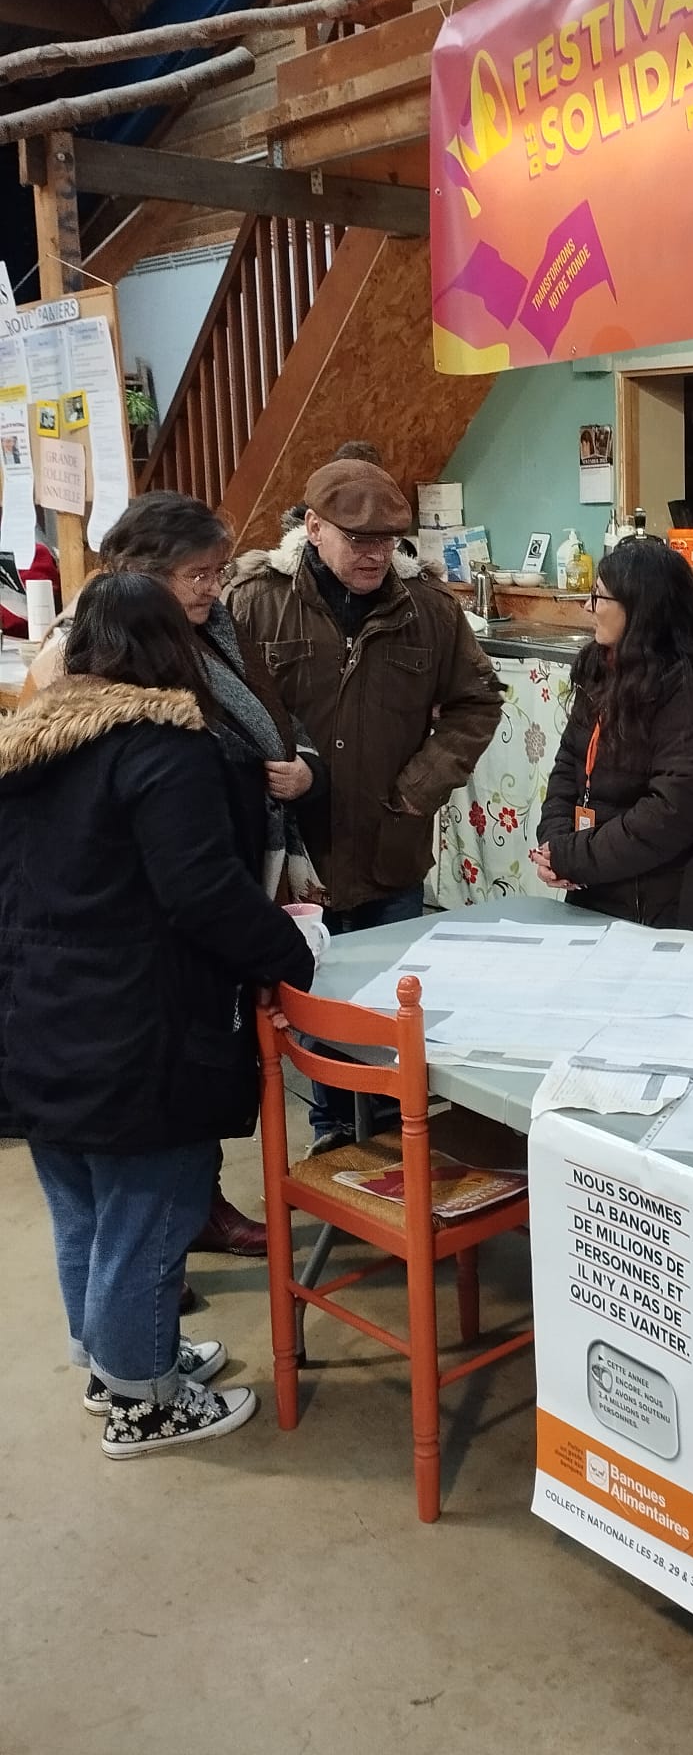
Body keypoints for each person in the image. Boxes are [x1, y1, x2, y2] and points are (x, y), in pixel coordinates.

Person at [0, 575, 314, 1457]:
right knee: (153, 1208)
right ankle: (146, 1402)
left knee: (84, 1210)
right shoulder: (164, 748)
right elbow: (202, 891)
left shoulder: (24, 750)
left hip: (35, 1016)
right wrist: (291, 955)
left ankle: (117, 1366)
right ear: (174, 651)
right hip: (137, 1024)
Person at [27, 492, 323, 1261]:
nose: (211, 590)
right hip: (134, 946)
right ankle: (143, 1338)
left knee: (110, 1204)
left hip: (173, 923)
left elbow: (271, 720)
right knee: (135, 1195)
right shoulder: (95, 671)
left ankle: (140, 1314)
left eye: (218, 573)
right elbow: (149, 858)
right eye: (197, 574)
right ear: (143, 574)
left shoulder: (213, 636)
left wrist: (300, 772)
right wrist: (275, 949)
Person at [227, 457, 503, 1145]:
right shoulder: (257, 601)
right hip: (298, 856)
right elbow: (218, 709)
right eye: (358, 539)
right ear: (313, 528)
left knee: (388, 1011)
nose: (375, 554)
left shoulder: (429, 611)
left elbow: (477, 702)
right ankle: (332, 1137)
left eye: (387, 540)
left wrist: (418, 788)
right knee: (315, 1008)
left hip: (390, 849)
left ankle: (384, 1143)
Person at [532, 535, 693, 928]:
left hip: (667, 911)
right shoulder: (602, 668)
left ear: (642, 609)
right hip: (593, 888)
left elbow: (669, 813)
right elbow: (568, 766)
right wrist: (556, 845)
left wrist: (573, 856)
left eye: (600, 597)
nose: (588, 607)